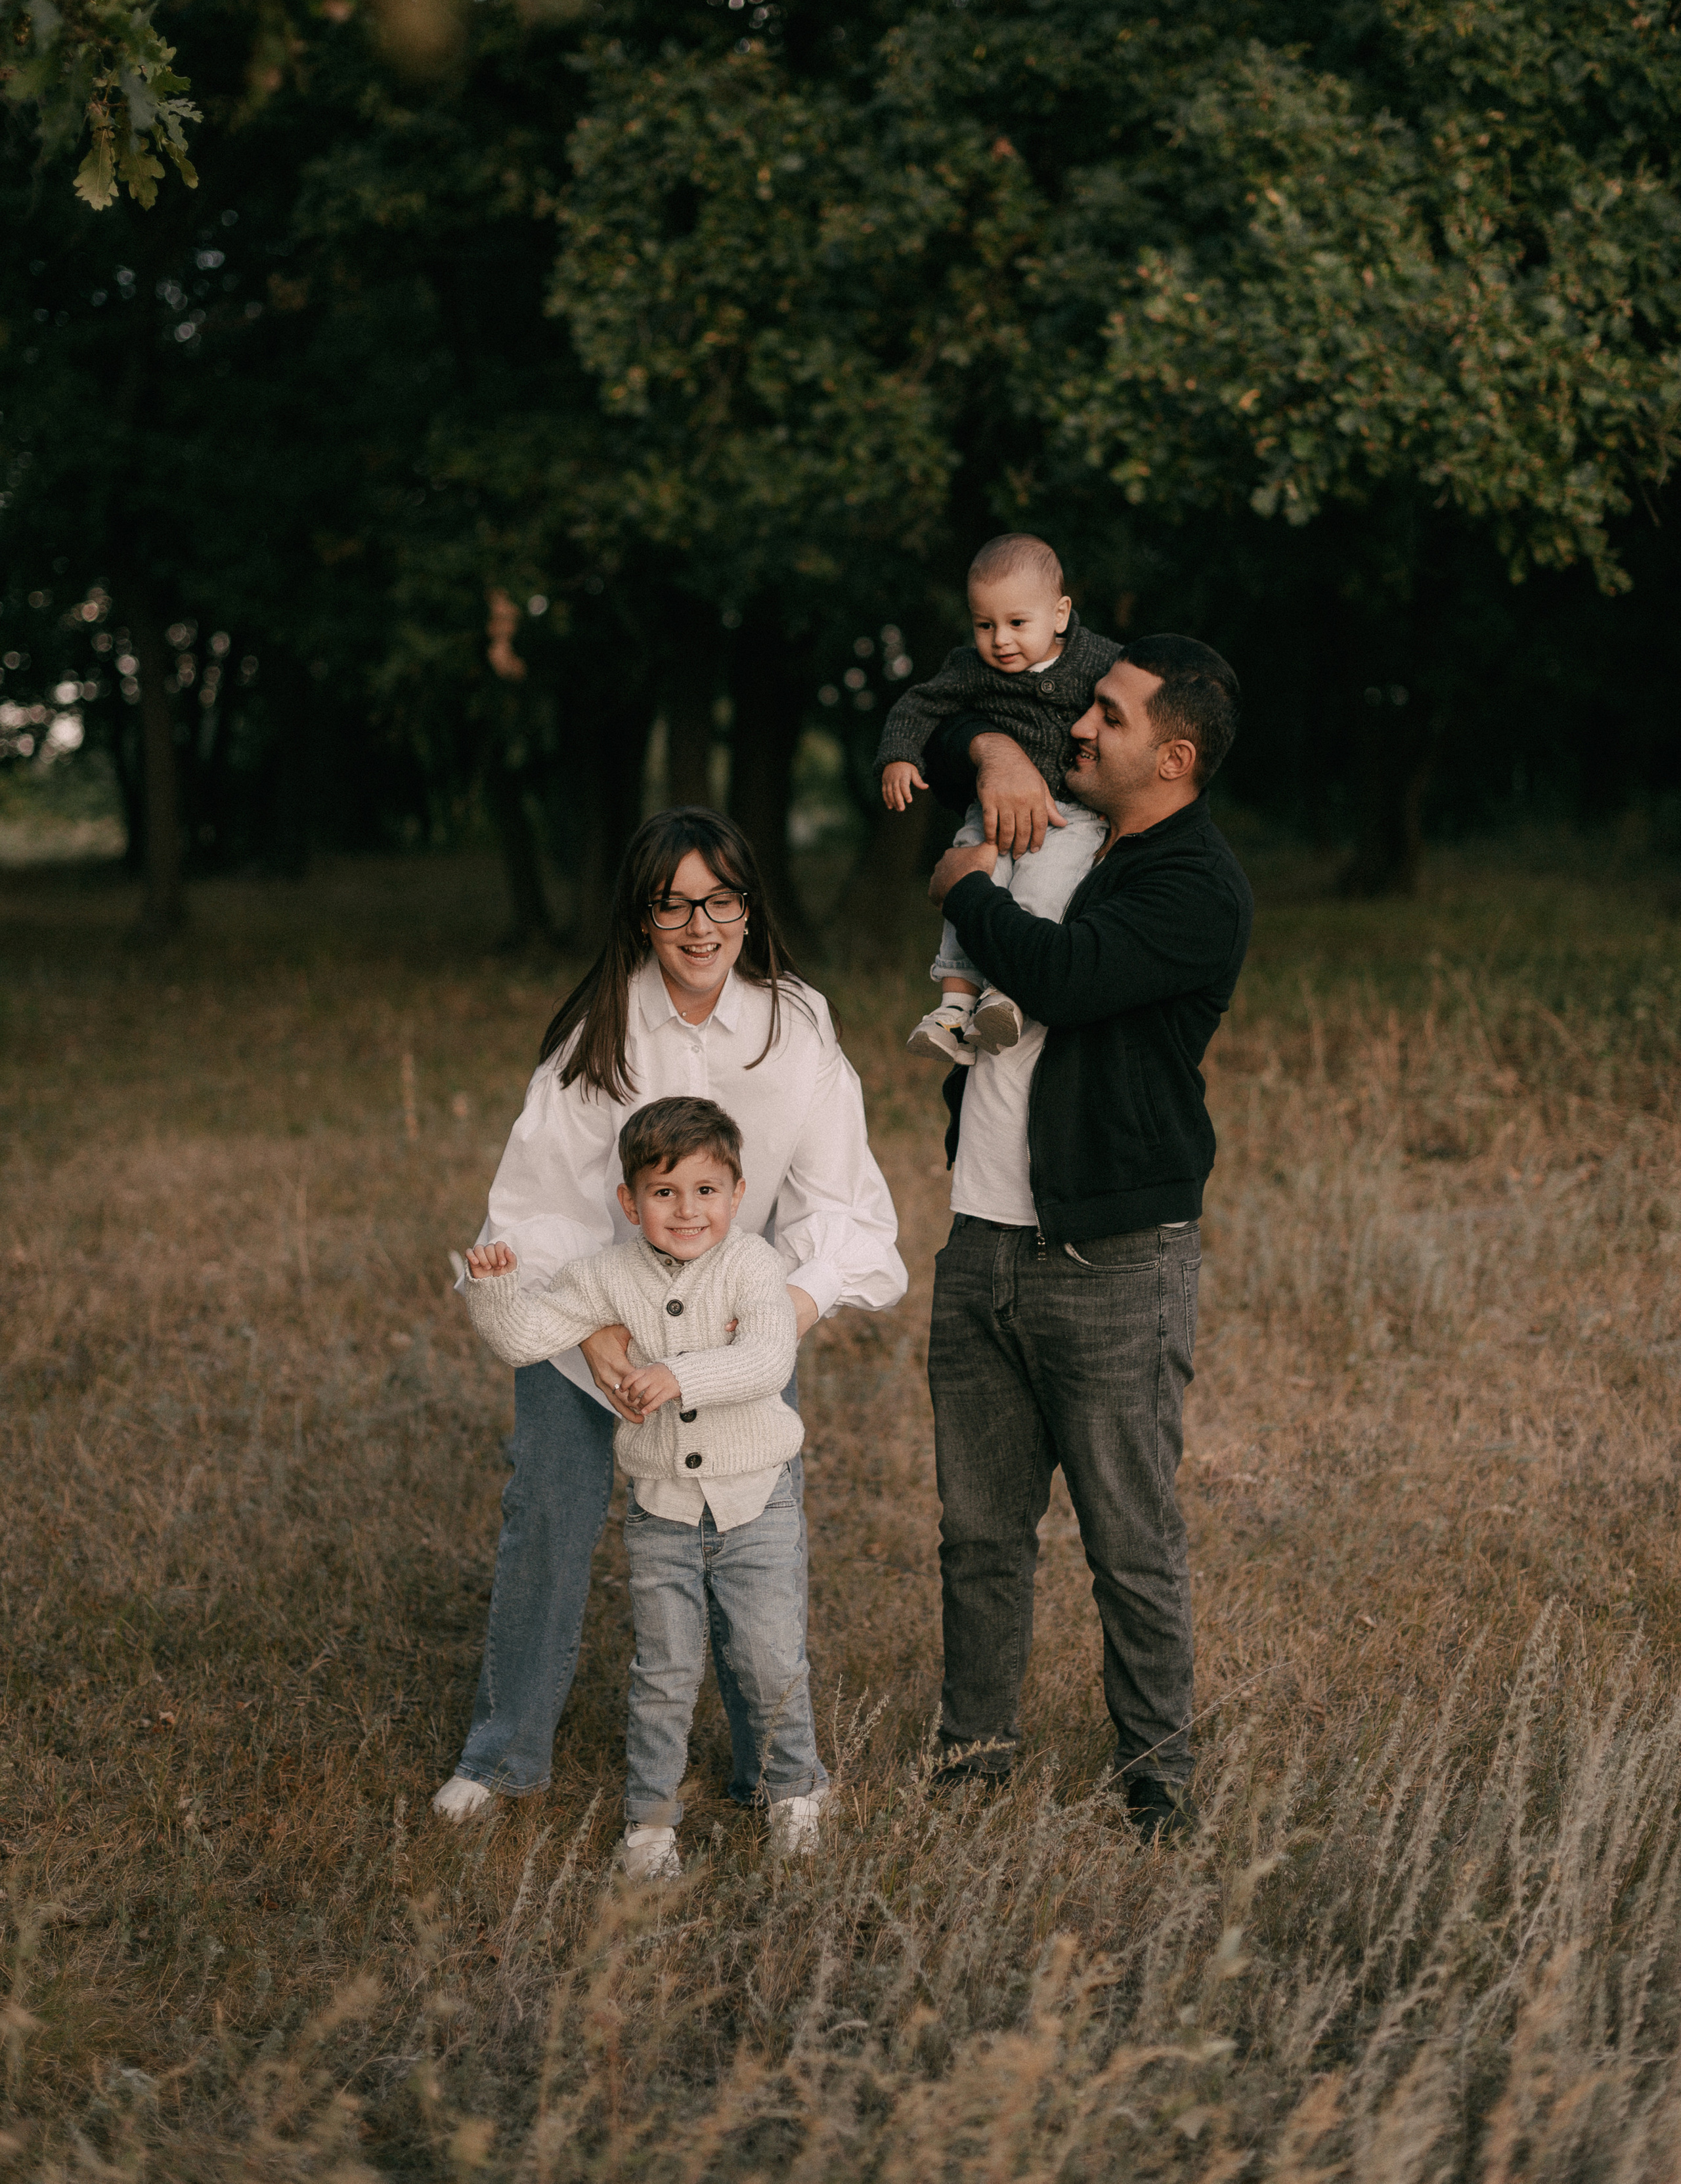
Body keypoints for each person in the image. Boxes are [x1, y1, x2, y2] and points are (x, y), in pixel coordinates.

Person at [432, 808, 906, 1826]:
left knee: (744, 1543)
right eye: (675, 903)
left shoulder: (795, 1024)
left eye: (722, 899)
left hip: (737, 1324)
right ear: (643, 915)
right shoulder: (596, 1027)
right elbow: (532, 1208)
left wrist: (774, 1318)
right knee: (550, 1516)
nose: (701, 925)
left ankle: (770, 1777)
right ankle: (505, 1754)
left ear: (749, 906)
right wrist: (594, 1334)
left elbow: (844, 1204)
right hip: (591, 1322)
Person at [920, 637, 1253, 1843]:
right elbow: (950, 716)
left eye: (1104, 716)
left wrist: (962, 886)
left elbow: (1056, 975)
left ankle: (1158, 1780)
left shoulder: (1196, 887)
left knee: (1130, 1536)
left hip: (1113, 1258)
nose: (1080, 726)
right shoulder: (1058, 826)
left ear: (1174, 754)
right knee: (978, 1529)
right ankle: (971, 1751)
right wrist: (996, 745)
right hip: (983, 1239)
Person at [462, 1097, 827, 1875]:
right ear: (629, 1203)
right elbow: (527, 1339)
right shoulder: (604, 1276)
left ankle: (794, 1791)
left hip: (756, 1502)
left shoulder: (754, 1266)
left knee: (768, 1658)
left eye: (705, 1191)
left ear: (735, 1195)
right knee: (663, 1671)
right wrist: (495, 1294)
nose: (686, 1210)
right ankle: (651, 1823)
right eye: (664, 1193)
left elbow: (769, 1360)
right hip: (662, 1508)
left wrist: (678, 1375)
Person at [875, 534, 1118, 1065]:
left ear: (1059, 614)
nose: (1000, 640)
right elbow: (917, 707)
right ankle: (954, 1006)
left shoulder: (1098, 659)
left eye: (1016, 623)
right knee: (972, 881)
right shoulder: (969, 669)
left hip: (1069, 815)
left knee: (1043, 887)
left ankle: (1007, 994)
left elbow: (1142, 707)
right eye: (985, 625)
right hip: (987, 812)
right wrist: (899, 756)